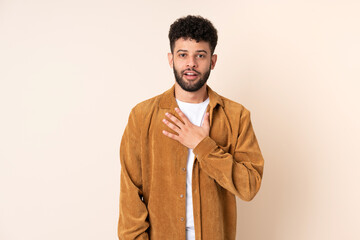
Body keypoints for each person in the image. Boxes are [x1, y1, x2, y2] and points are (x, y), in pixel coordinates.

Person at [118, 15, 264, 240]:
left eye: (200, 55)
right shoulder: (142, 116)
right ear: (171, 59)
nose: (191, 64)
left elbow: (250, 187)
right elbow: (130, 195)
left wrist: (203, 146)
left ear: (212, 61)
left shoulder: (236, 117)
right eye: (183, 55)